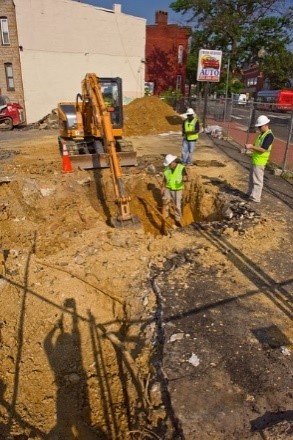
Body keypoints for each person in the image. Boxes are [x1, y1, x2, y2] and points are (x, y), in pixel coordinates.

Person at [245, 115, 274, 203]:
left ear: (266, 125)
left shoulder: (269, 136)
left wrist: (251, 146)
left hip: (260, 161)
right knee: (251, 178)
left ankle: (255, 198)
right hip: (255, 159)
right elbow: (257, 146)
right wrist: (251, 147)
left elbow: (263, 149)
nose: (259, 128)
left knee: (257, 180)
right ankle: (250, 193)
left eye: (260, 127)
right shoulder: (261, 134)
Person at [162, 154, 188, 225]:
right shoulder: (167, 168)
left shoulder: (181, 167)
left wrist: (184, 179)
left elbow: (186, 177)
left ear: (173, 162)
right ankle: (166, 216)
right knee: (165, 202)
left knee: (177, 205)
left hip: (177, 189)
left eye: (170, 164)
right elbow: (165, 179)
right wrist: (163, 187)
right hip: (168, 188)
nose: (169, 166)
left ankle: (178, 219)